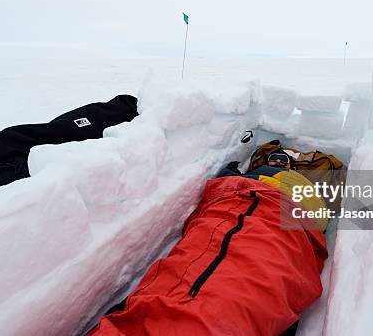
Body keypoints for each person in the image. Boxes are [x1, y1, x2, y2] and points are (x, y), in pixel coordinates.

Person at [89, 141, 344, 336]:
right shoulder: (309, 184)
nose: (279, 161)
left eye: (282, 160)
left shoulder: (301, 182)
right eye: (276, 159)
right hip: (279, 219)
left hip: (273, 211)